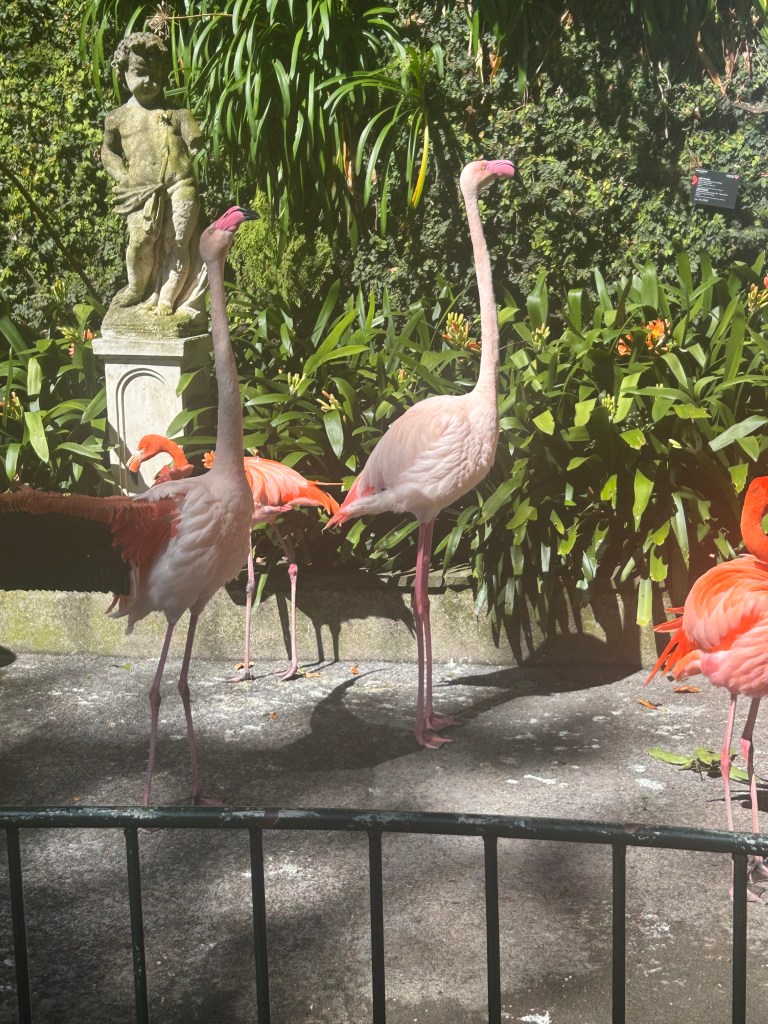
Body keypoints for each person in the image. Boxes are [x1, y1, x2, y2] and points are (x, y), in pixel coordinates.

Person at [102, 32, 205, 316]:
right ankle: (137, 287)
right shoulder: (116, 118)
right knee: (141, 240)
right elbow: (107, 152)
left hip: (180, 184)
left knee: (178, 242)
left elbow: (196, 140)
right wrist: (122, 176)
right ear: (123, 73)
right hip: (140, 189)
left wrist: (195, 140)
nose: (150, 81)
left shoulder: (178, 113)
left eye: (157, 74)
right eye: (141, 73)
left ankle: (167, 298)